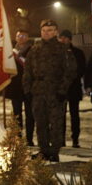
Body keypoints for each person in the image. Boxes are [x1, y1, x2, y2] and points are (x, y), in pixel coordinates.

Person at [22, 19, 76, 162]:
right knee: (40, 123)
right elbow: (27, 71)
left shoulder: (63, 49)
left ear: (56, 32)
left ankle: (54, 151)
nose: (46, 33)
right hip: (38, 92)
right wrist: (27, 90)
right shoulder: (34, 49)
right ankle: (43, 150)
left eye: (50, 30)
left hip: (55, 92)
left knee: (56, 123)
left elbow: (70, 71)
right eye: (44, 31)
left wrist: (62, 90)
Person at [6, 29, 35, 145]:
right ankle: (18, 138)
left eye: (24, 35)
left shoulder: (32, 50)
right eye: (19, 36)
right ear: (16, 37)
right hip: (15, 87)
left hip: (29, 87)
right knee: (16, 115)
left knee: (30, 115)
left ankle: (29, 139)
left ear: (27, 37)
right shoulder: (10, 51)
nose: (21, 38)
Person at [58, 29, 85, 148]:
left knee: (74, 115)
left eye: (65, 38)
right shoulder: (57, 52)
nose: (63, 40)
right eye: (61, 38)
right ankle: (60, 139)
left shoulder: (78, 53)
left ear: (70, 39)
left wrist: (70, 79)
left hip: (74, 88)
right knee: (60, 115)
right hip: (60, 89)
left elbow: (81, 69)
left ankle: (75, 139)